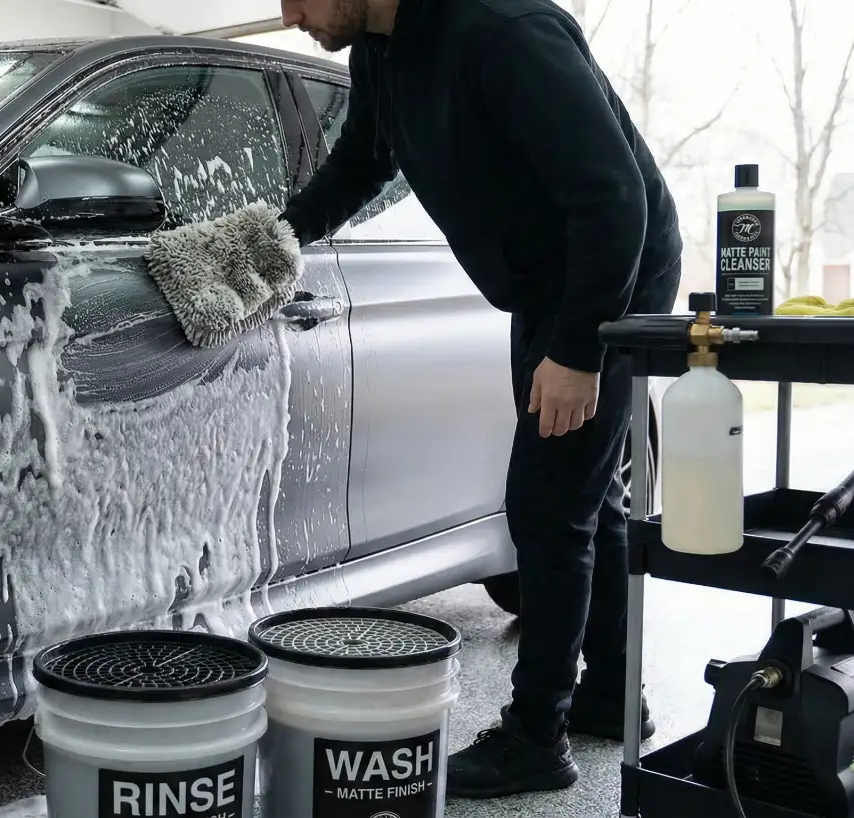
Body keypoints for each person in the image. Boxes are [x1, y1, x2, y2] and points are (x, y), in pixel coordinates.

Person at [276, 0, 683, 800]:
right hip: (539, 280)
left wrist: (577, 350)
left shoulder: (502, 31)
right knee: (581, 497)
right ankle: (608, 697)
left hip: (610, 274)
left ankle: (537, 739)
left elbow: (612, 198)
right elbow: (361, 160)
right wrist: (273, 241)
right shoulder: (380, 54)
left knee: (544, 505)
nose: (288, 14)